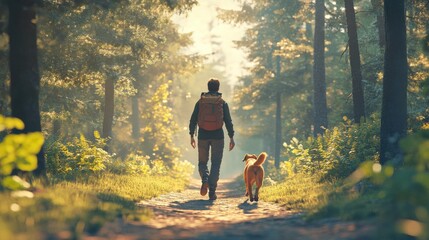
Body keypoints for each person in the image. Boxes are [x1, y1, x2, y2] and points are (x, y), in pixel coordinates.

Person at [189, 78, 235, 200]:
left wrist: (191, 135)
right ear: (218, 88)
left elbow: (193, 119)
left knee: (202, 163)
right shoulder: (222, 103)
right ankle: (212, 192)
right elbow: (228, 121)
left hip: (203, 136)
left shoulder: (200, 102)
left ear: (208, 87)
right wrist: (231, 137)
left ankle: (205, 179)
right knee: (216, 163)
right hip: (218, 137)